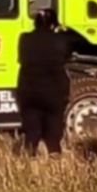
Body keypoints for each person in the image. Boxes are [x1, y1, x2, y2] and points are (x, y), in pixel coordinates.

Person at [16, 9, 73, 157]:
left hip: (30, 91)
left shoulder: (25, 39)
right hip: (53, 93)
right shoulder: (60, 40)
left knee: (31, 134)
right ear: (53, 24)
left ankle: (28, 167)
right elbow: (67, 55)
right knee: (53, 136)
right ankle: (55, 168)